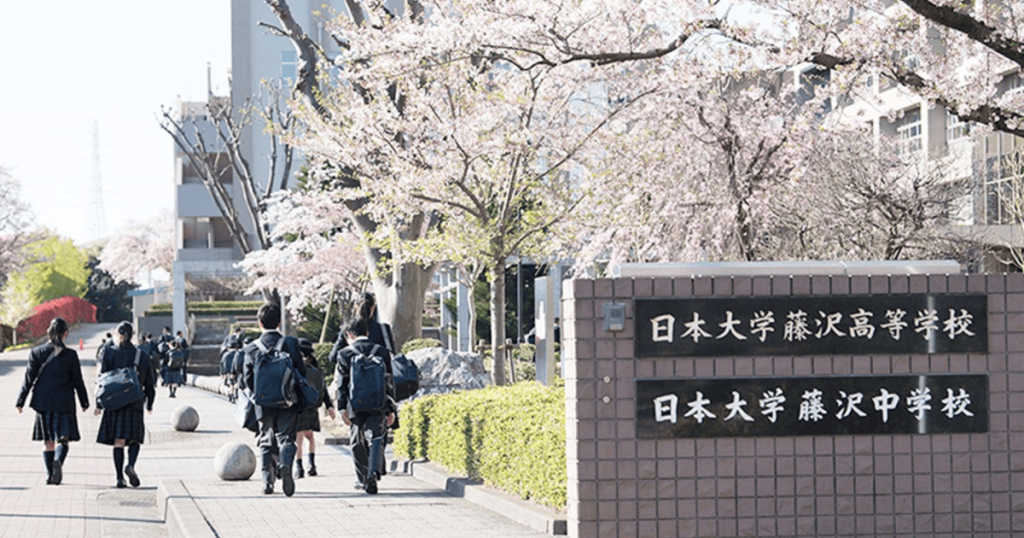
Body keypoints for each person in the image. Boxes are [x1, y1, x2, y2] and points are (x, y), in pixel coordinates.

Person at [16, 317, 90, 485]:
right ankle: (59, 461)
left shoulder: (37, 352)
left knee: (48, 441)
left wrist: (20, 401)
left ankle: (50, 475)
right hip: (64, 402)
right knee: (63, 439)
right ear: (65, 334)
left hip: (43, 402)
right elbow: (78, 380)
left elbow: (28, 379)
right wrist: (84, 402)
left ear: (48, 332)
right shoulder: (71, 355)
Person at [241, 302, 306, 496]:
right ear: (279, 322)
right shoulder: (292, 344)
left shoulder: (251, 348)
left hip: (263, 402)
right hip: (288, 400)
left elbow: (247, 379)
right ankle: (286, 466)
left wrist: (260, 394)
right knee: (287, 437)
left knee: (266, 439)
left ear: (260, 323)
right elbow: (301, 372)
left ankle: (267, 483)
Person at [336, 317, 396, 495]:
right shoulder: (381, 351)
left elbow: (342, 384)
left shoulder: (345, 354)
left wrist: (342, 408)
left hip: (355, 404)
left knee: (357, 441)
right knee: (376, 437)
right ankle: (373, 474)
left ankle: (362, 478)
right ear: (367, 333)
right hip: (378, 402)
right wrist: (392, 408)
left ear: (349, 334)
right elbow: (390, 382)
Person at [95, 321, 156, 489]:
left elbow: (103, 380)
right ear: (133, 335)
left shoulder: (109, 353)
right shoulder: (141, 355)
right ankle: (131, 466)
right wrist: (150, 404)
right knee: (134, 438)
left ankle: (119, 478)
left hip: (114, 402)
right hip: (135, 400)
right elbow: (149, 383)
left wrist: (98, 404)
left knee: (118, 441)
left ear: (117, 334)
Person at [294, 338, 335, 479]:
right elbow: (323, 389)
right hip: (312, 407)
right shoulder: (315, 368)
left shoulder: (296, 367)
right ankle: (312, 465)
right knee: (310, 437)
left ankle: (299, 468)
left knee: (298, 438)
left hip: (299, 407)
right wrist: (329, 405)